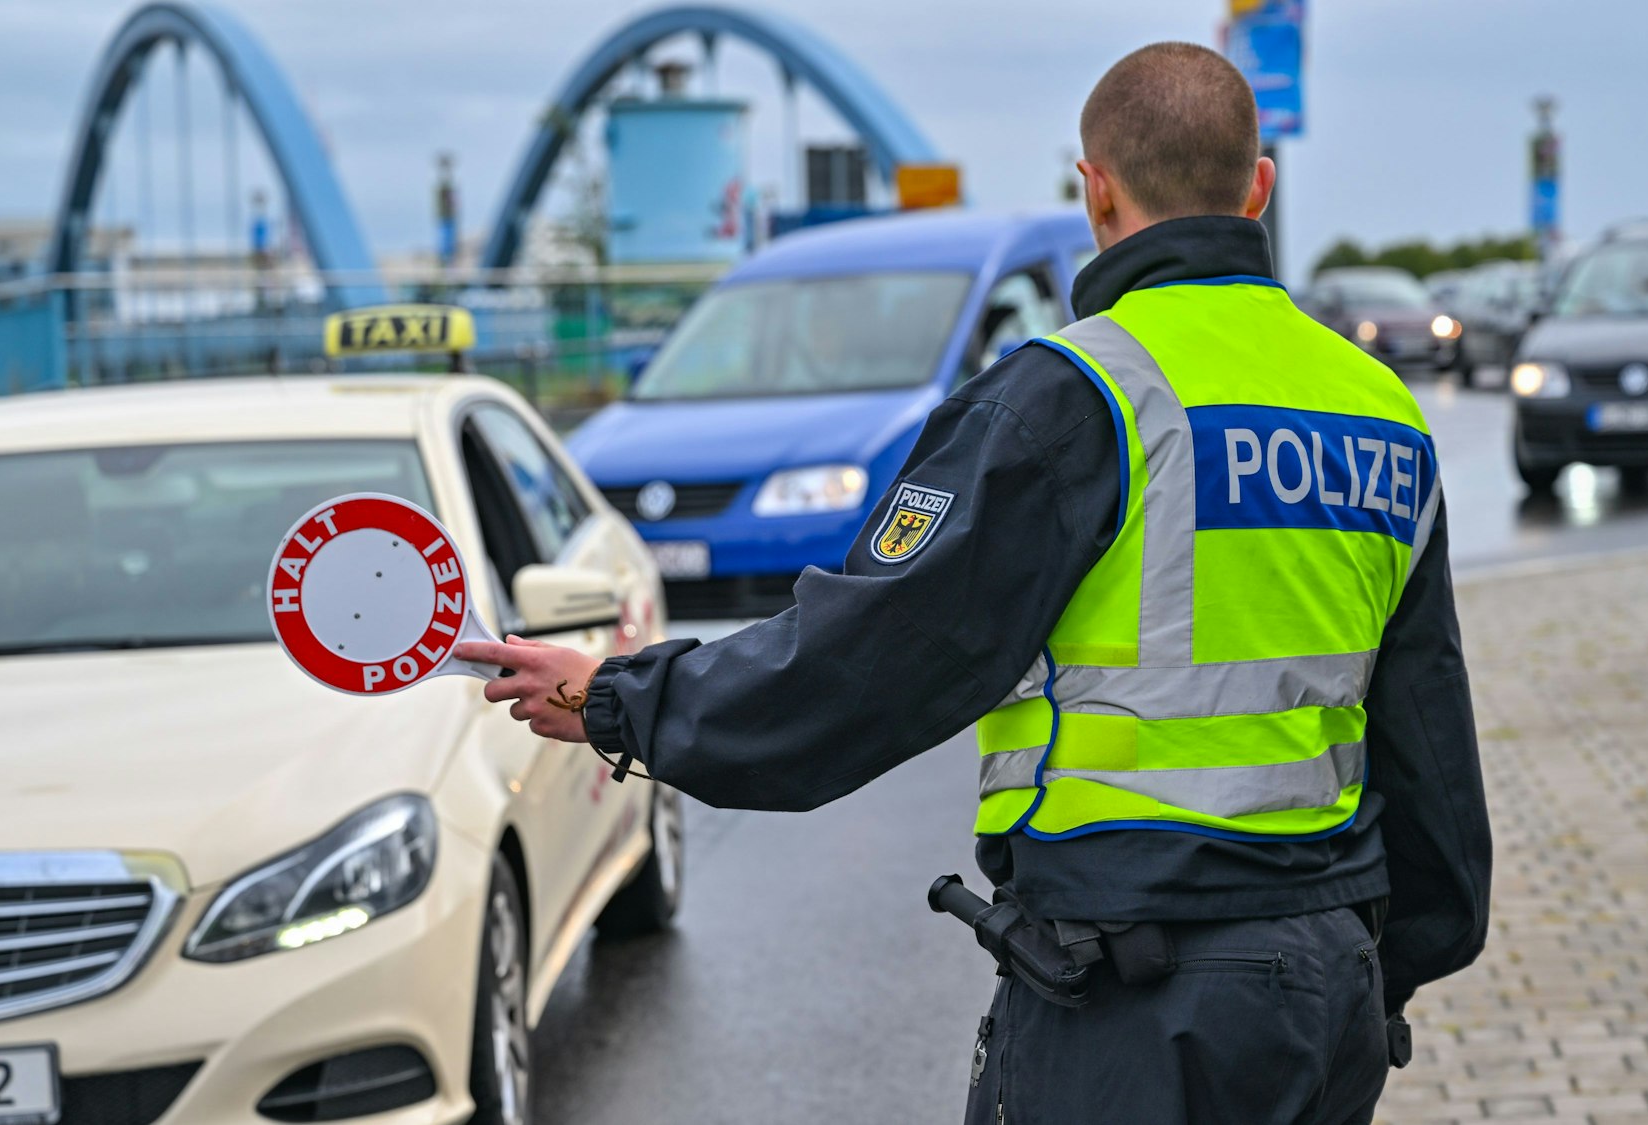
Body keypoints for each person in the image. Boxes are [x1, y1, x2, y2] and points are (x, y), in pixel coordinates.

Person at [457, 41, 1491, 1125]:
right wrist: (1379, 964)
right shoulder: (1377, 410)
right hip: (1327, 988)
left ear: (1093, 190)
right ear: (1257, 186)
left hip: (1138, 1000)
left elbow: (862, 667)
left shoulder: (1077, 396)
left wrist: (617, 699)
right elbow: (1428, 739)